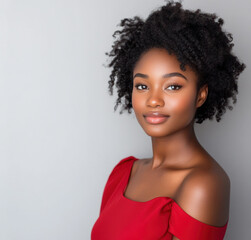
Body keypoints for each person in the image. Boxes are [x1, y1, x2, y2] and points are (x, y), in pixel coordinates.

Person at [90, 1, 246, 239]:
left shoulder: (203, 184)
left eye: (172, 86)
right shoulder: (123, 172)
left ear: (201, 95)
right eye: (142, 85)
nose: (153, 100)